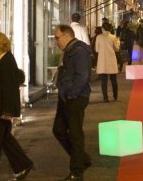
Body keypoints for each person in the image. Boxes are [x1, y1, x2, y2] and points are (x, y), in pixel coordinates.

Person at [0, 32, 34, 180]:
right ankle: (23, 164)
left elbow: (9, 87)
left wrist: (8, 110)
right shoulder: (2, 60)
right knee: (5, 140)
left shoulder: (6, 61)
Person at [53, 25, 92, 180]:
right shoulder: (70, 50)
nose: (56, 41)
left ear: (67, 36)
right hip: (66, 96)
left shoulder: (79, 51)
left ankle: (77, 171)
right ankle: (82, 159)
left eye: (57, 37)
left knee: (75, 134)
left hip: (75, 97)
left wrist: (72, 94)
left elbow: (82, 76)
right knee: (58, 130)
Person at [95, 22, 120, 102]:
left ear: (103, 28)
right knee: (113, 79)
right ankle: (115, 96)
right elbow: (116, 49)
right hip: (111, 60)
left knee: (104, 81)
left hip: (102, 61)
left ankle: (105, 98)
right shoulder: (113, 37)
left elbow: (97, 49)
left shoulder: (98, 37)